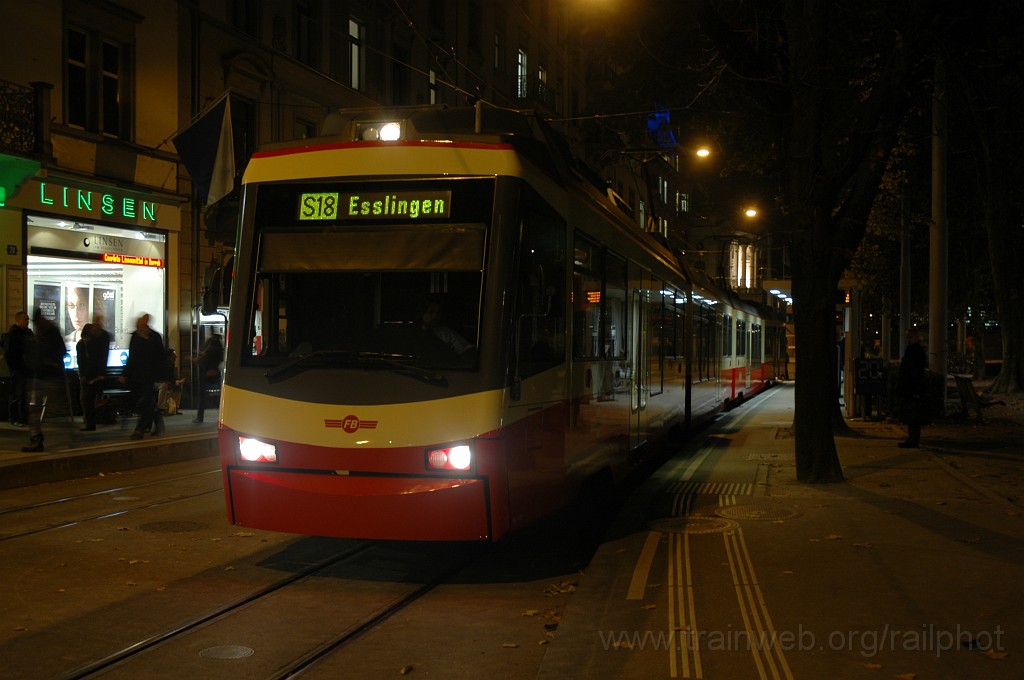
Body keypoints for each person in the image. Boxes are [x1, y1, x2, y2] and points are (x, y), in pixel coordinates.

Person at [22, 311, 68, 453]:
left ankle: (37, 438)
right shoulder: (43, 333)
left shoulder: (48, 334)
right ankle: (36, 438)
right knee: (35, 408)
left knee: (42, 408)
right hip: (41, 375)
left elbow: (59, 351)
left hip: (47, 375)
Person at [121, 313, 166, 440]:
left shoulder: (154, 337)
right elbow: (132, 356)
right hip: (137, 376)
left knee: (146, 402)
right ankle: (157, 423)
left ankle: (139, 430)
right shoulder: (136, 337)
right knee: (145, 403)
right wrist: (126, 374)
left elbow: (160, 357)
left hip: (149, 376)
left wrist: (162, 376)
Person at [76, 320, 111, 431]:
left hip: (89, 377)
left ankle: (89, 422)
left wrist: (83, 375)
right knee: (89, 400)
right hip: (95, 376)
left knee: (86, 400)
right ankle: (91, 421)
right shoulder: (93, 344)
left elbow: (81, 361)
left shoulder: (83, 344)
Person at [897, 327, 928, 448]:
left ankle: (913, 439)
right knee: (913, 415)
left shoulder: (913, 352)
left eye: (909, 337)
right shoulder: (917, 351)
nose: (908, 339)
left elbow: (912, 371)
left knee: (913, 415)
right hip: (913, 387)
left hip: (912, 388)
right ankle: (913, 438)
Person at [5, 311, 34, 426]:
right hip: (18, 369)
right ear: (18, 320)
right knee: (16, 394)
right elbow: (9, 353)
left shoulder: (28, 333)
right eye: (24, 319)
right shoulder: (13, 334)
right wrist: (15, 367)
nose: (27, 322)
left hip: (26, 368)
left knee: (25, 395)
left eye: (27, 319)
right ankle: (14, 417)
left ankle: (24, 417)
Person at [193, 333, 224, 423]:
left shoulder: (211, 346)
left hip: (207, 372)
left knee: (202, 395)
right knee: (218, 395)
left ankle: (200, 417)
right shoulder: (218, 347)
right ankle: (220, 416)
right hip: (215, 371)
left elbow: (203, 356)